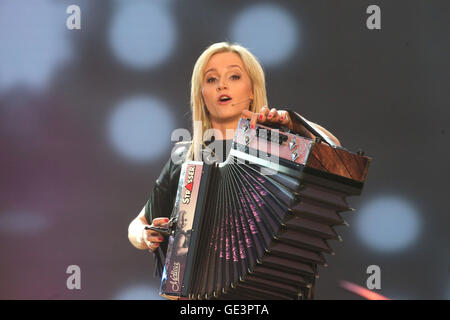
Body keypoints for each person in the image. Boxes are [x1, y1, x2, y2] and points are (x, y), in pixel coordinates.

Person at [127, 41, 341, 277]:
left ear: (252, 90)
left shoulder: (279, 146)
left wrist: (293, 122)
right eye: (211, 79)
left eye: (234, 77)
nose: (222, 85)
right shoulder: (186, 156)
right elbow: (137, 225)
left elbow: (336, 155)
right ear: (202, 95)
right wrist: (146, 235)